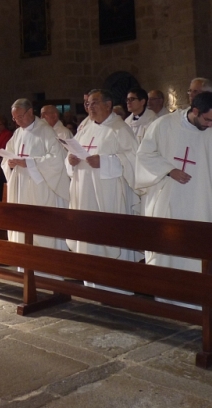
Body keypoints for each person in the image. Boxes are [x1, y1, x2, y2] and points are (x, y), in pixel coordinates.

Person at [136, 92, 212, 282]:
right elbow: (144, 155)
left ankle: (202, 300)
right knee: (170, 251)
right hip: (170, 202)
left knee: (200, 251)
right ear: (195, 110)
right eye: (207, 120)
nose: (210, 125)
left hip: (202, 204)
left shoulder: (211, 136)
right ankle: (170, 298)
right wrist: (169, 170)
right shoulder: (163, 125)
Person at [67, 89, 139, 282]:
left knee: (109, 235)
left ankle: (115, 285)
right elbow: (72, 155)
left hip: (109, 195)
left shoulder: (120, 129)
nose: (90, 107)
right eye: (88, 104)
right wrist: (71, 160)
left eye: (94, 103)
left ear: (108, 105)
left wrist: (105, 162)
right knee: (88, 235)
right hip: (84, 194)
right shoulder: (84, 128)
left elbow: (133, 161)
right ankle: (90, 281)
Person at [1, 98, 70, 252]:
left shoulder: (45, 131)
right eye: (14, 118)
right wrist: (9, 163)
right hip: (21, 186)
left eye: (20, 117)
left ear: (30, 111)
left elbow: (57, 159)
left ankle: (46, 267)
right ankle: (25, 266)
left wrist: (29, 163)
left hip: (40, 187)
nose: (17, 121)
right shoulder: (18, 133)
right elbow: (7, 156)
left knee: (40, 228)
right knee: (22, 225)